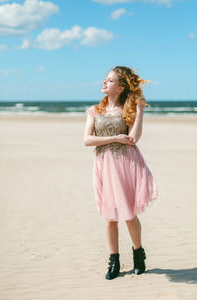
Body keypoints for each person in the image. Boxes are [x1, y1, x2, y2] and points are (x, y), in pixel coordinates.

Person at [83, 66, 158, 280]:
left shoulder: (129, 110)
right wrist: (115, 138)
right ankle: (114, 261)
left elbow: (133, 139)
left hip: (125, 164)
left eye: (110, 80)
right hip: (104, 165)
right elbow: (87, 140)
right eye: (105, 79)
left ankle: (138, 253)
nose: (105, 83)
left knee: (128, 214)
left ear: (121, 87)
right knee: (109, 217)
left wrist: (141, 111)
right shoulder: (94, 111)